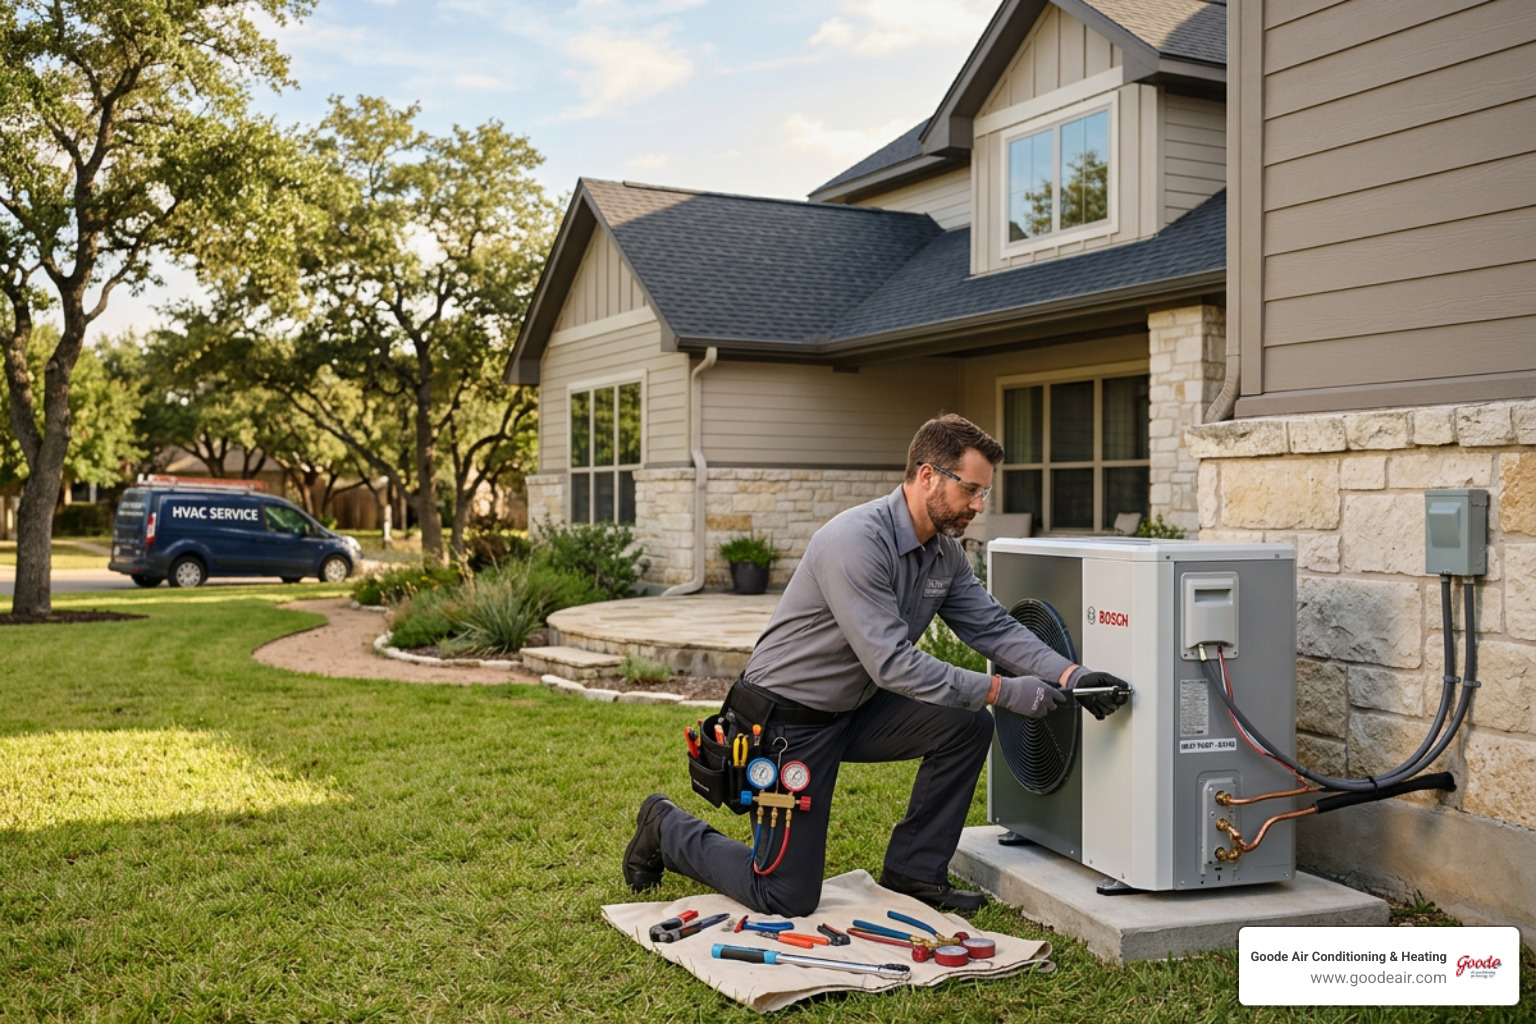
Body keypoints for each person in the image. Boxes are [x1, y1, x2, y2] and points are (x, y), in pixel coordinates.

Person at [623, 413, 1129, 917]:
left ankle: (913, 874)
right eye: (971, 490)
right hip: (786, 724)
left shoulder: (944, 555)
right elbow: (893, 665)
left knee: (964, 727)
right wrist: (1003, 691)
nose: (979, 505)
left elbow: (992, 627)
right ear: (928, 475)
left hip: (856, 710)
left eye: (984, 492)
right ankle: (666, 827)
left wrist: (1071, 674)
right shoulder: (855, 542)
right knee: (783, 894)